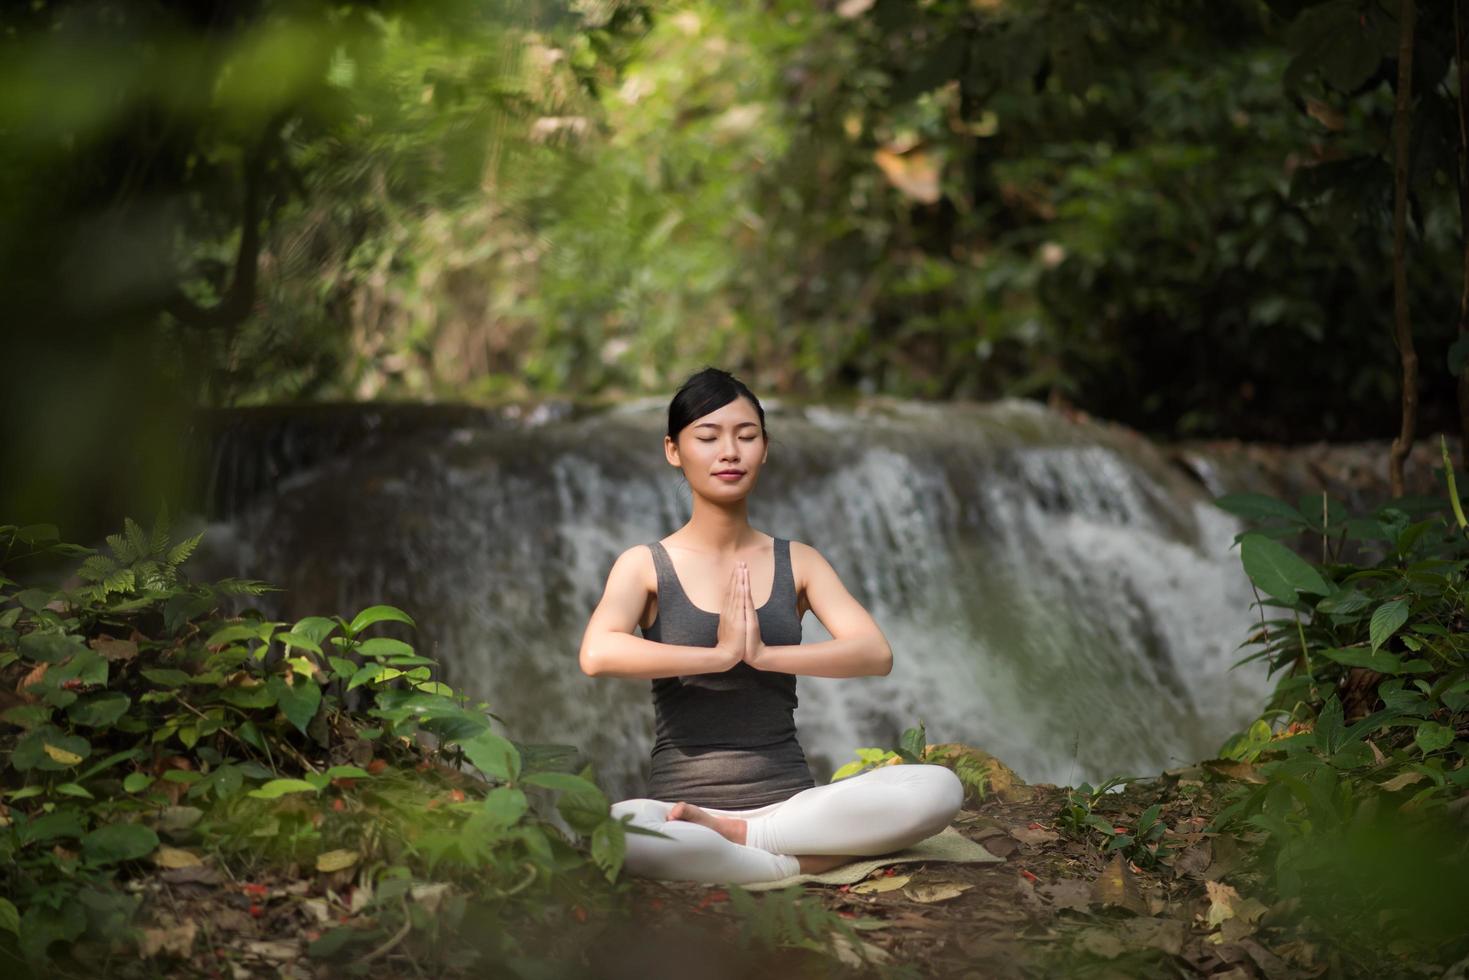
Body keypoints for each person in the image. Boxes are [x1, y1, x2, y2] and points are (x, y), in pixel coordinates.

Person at [577, 367, 963, 884]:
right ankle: (795, 862)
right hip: (680, 812)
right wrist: (716, 655)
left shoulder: (799, 561)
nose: (729, 452)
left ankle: (754, 847)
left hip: (792, 809)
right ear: (674, 450)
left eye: (746, 435)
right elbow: (597, 654)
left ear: (765, 447)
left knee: (939, 789)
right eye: (708, 437)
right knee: (627, 828)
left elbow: (876, 653)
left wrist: (763, 655)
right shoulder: (644, 564)